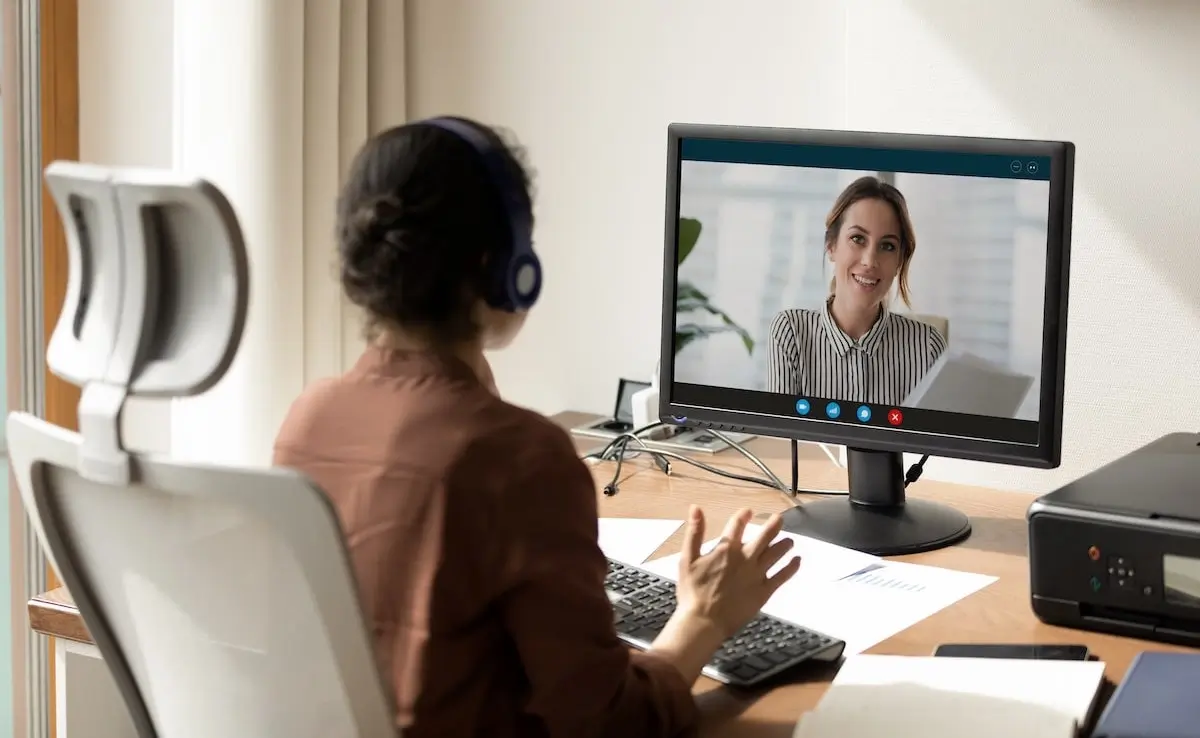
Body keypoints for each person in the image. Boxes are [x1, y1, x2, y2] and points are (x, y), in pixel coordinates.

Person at [273, 116, 802, 738]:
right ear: (508, 266)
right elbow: (614, 724)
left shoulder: (308, 421)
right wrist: (702, 619)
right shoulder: (518, 457)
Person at [764, 176, 946, 405]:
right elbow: (782, 438)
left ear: (900, 260)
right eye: (857, 239)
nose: (870, 260)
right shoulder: (791, 332)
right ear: (831, 246)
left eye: (887, 246)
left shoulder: (928, 347)